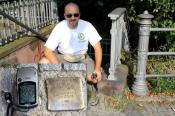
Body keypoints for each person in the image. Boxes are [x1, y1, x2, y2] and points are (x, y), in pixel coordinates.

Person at [40, 2, 102, 84]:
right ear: (65, 15)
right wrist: (60, 68)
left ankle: (82, 81)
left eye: (76, 15)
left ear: (79, 15)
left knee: (94, 78)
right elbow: (47, 51)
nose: (73, 18)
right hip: (63, 58)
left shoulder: (87, 26)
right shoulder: (59, 27)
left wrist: (97, 69)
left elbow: (98, 48)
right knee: (43, 62)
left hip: (83, 59)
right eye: (69, 15)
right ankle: (53, 87)